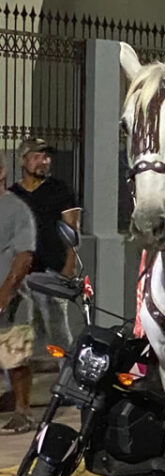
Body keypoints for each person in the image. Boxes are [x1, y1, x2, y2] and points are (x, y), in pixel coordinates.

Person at [8, 138, 79, 367]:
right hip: (19, 274)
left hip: (51, 271)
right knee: (18, 331)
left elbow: (71, 229)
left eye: (46, 157)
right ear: (23, 160)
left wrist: (69, 264)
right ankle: (18, 386)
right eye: (37, 156)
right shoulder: (12, 195)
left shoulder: (60, 190)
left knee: (58, 331)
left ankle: (68, 380)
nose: (44, 162)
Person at [0, 160, 37, 434]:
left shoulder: (16, 209)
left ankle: (23, 412)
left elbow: (24, 256)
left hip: (12, 300)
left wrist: (6, 291)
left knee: (15, 359)